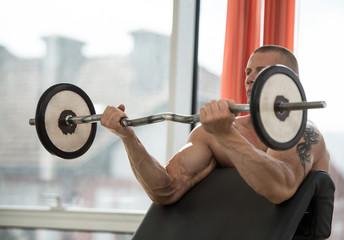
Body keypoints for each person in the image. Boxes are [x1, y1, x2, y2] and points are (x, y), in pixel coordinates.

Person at [100, 45, 330, 205]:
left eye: (261, 72)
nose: (249, 78)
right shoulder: (210, 133)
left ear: (291, 82)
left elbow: (279, 188)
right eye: (248, 72)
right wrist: (129, 138)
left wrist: (226, 135)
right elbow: (165, 190)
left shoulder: (304, 133)